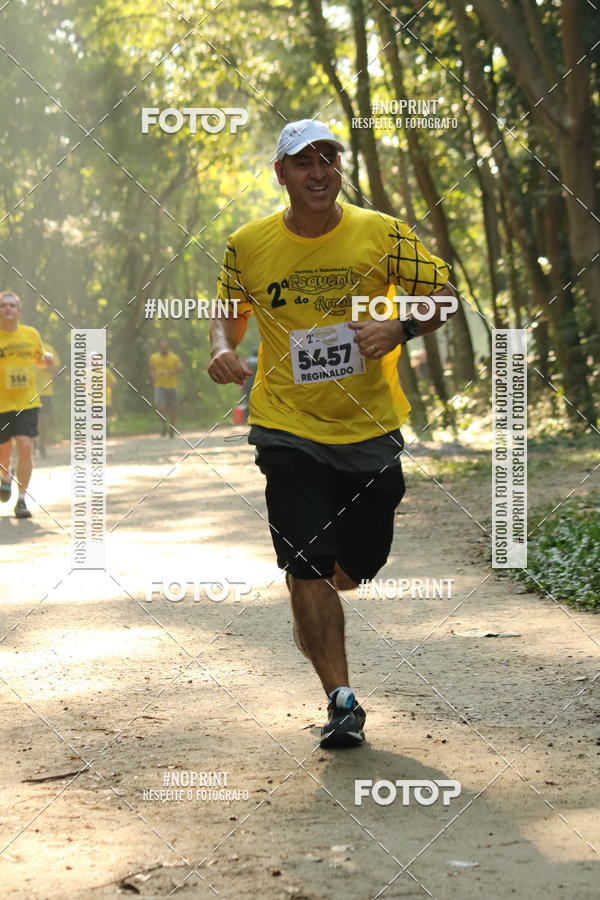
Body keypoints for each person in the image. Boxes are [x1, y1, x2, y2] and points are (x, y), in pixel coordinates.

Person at [208, 119, 456, 748]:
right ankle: (341, 701)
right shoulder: (248, 243)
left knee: (356, 564)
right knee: (308, 560)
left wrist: (398, 327)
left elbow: (445, 298)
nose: (319, 171)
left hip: (369, 428)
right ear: (282, 174)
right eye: (304, 162)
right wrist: (219, 349)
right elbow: (227, 314)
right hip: (285, 424)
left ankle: (312, 594)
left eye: (329, 159)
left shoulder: (382, 233)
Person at [0, 291, 54, 518]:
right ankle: (5, 476)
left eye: (12, 305)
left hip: (27, 401)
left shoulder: (30, 334)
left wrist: (47, 359)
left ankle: (22, 500)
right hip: (1, 404)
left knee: (25, 445)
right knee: (3, 454)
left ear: (19, 311)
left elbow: (39, 360)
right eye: (3, 305)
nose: (7, 309)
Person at [148, 340, 183, 437]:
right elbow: (151, 368)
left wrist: (171, 372)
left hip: (171, 386)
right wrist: (152, 375)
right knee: (161, 408)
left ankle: (172, 428)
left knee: (173, 408)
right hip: (159, 386)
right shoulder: (154, 357)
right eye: (161, 347)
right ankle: (164, 426)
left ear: (168, 347)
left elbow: (180, 369)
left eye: (165, 347)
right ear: (159, 348)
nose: (163, 349)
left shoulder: (174, 358)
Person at [34, 339, 61, 456]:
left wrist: (45, 365)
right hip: (26, 391)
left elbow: (56, 370)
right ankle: (32, 443)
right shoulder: (24, 348)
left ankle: (42, 445)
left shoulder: (48, 349)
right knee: (31, 419)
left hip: (45, 391)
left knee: (44, 420)